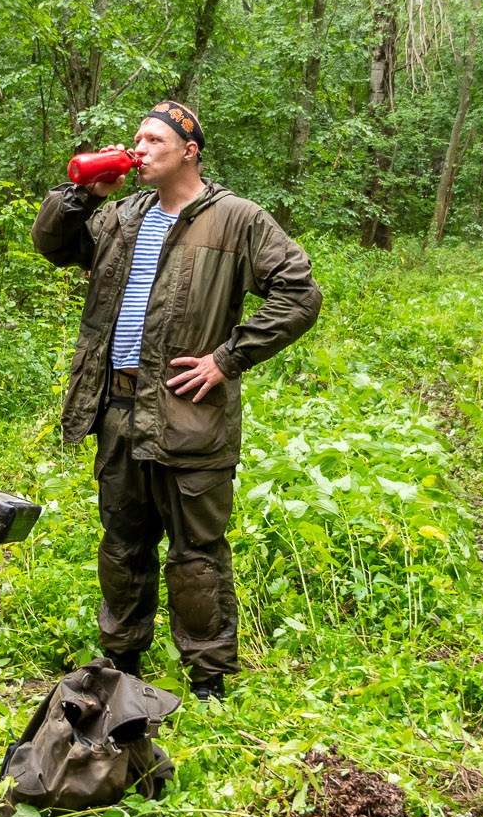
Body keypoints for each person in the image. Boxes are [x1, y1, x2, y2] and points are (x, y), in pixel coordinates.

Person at [32, 102, 321, 702]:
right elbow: (53, 245)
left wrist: (226, 358)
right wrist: (82, 193)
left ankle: (209, 679)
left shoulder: (237, 219)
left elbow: (299, 293)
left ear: (189, 150)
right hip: (116, 409)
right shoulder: (120, 215)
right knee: (122, 542)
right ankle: (122, 668)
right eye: (135, 137)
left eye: (152, 139)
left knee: (197, 551)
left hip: (188, 414)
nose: (138, 147)